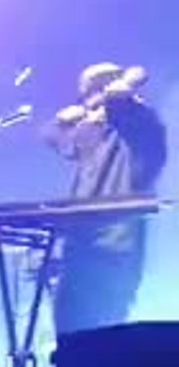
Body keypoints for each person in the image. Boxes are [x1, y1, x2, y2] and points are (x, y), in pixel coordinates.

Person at [46, 62, 167, 335]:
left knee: (103, 334)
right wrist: (63, 121)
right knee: (69, 331)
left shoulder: (140, 128)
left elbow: (128, 90)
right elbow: (54, 137)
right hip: (80, 246)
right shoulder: (92, 135)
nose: (84, 104)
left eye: (88, 94)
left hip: (114, 250)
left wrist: (117, 92)